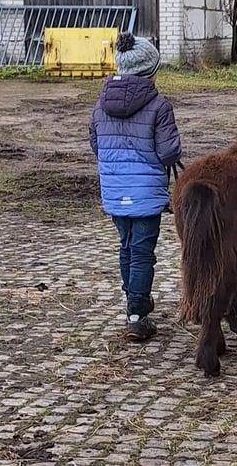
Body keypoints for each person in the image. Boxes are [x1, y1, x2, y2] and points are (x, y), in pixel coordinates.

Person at [88, 32, 182, 341]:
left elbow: (96, 143)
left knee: (126, 246)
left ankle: (134, 301)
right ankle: (137, 312)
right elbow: (169, 153)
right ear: (151, 71)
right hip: (147, 194)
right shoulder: (159, 105)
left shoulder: (101, 105)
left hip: (115, 190)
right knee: (142, 252)